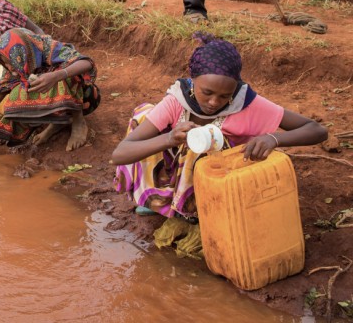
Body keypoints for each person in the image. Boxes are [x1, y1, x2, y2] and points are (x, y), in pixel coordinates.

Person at [112, 32, 327, 220]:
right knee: (144, 116)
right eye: (207, 92)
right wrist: (168, 139)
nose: (214, 102)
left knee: (204, 144)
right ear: (193, 80)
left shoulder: (247, 104)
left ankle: (194, 212)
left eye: (225, 95)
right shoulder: (177, 101)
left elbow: (317, 130)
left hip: (225, 180)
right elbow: (120, 154)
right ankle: (159, 198)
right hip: (179, 163)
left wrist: (274, 138)